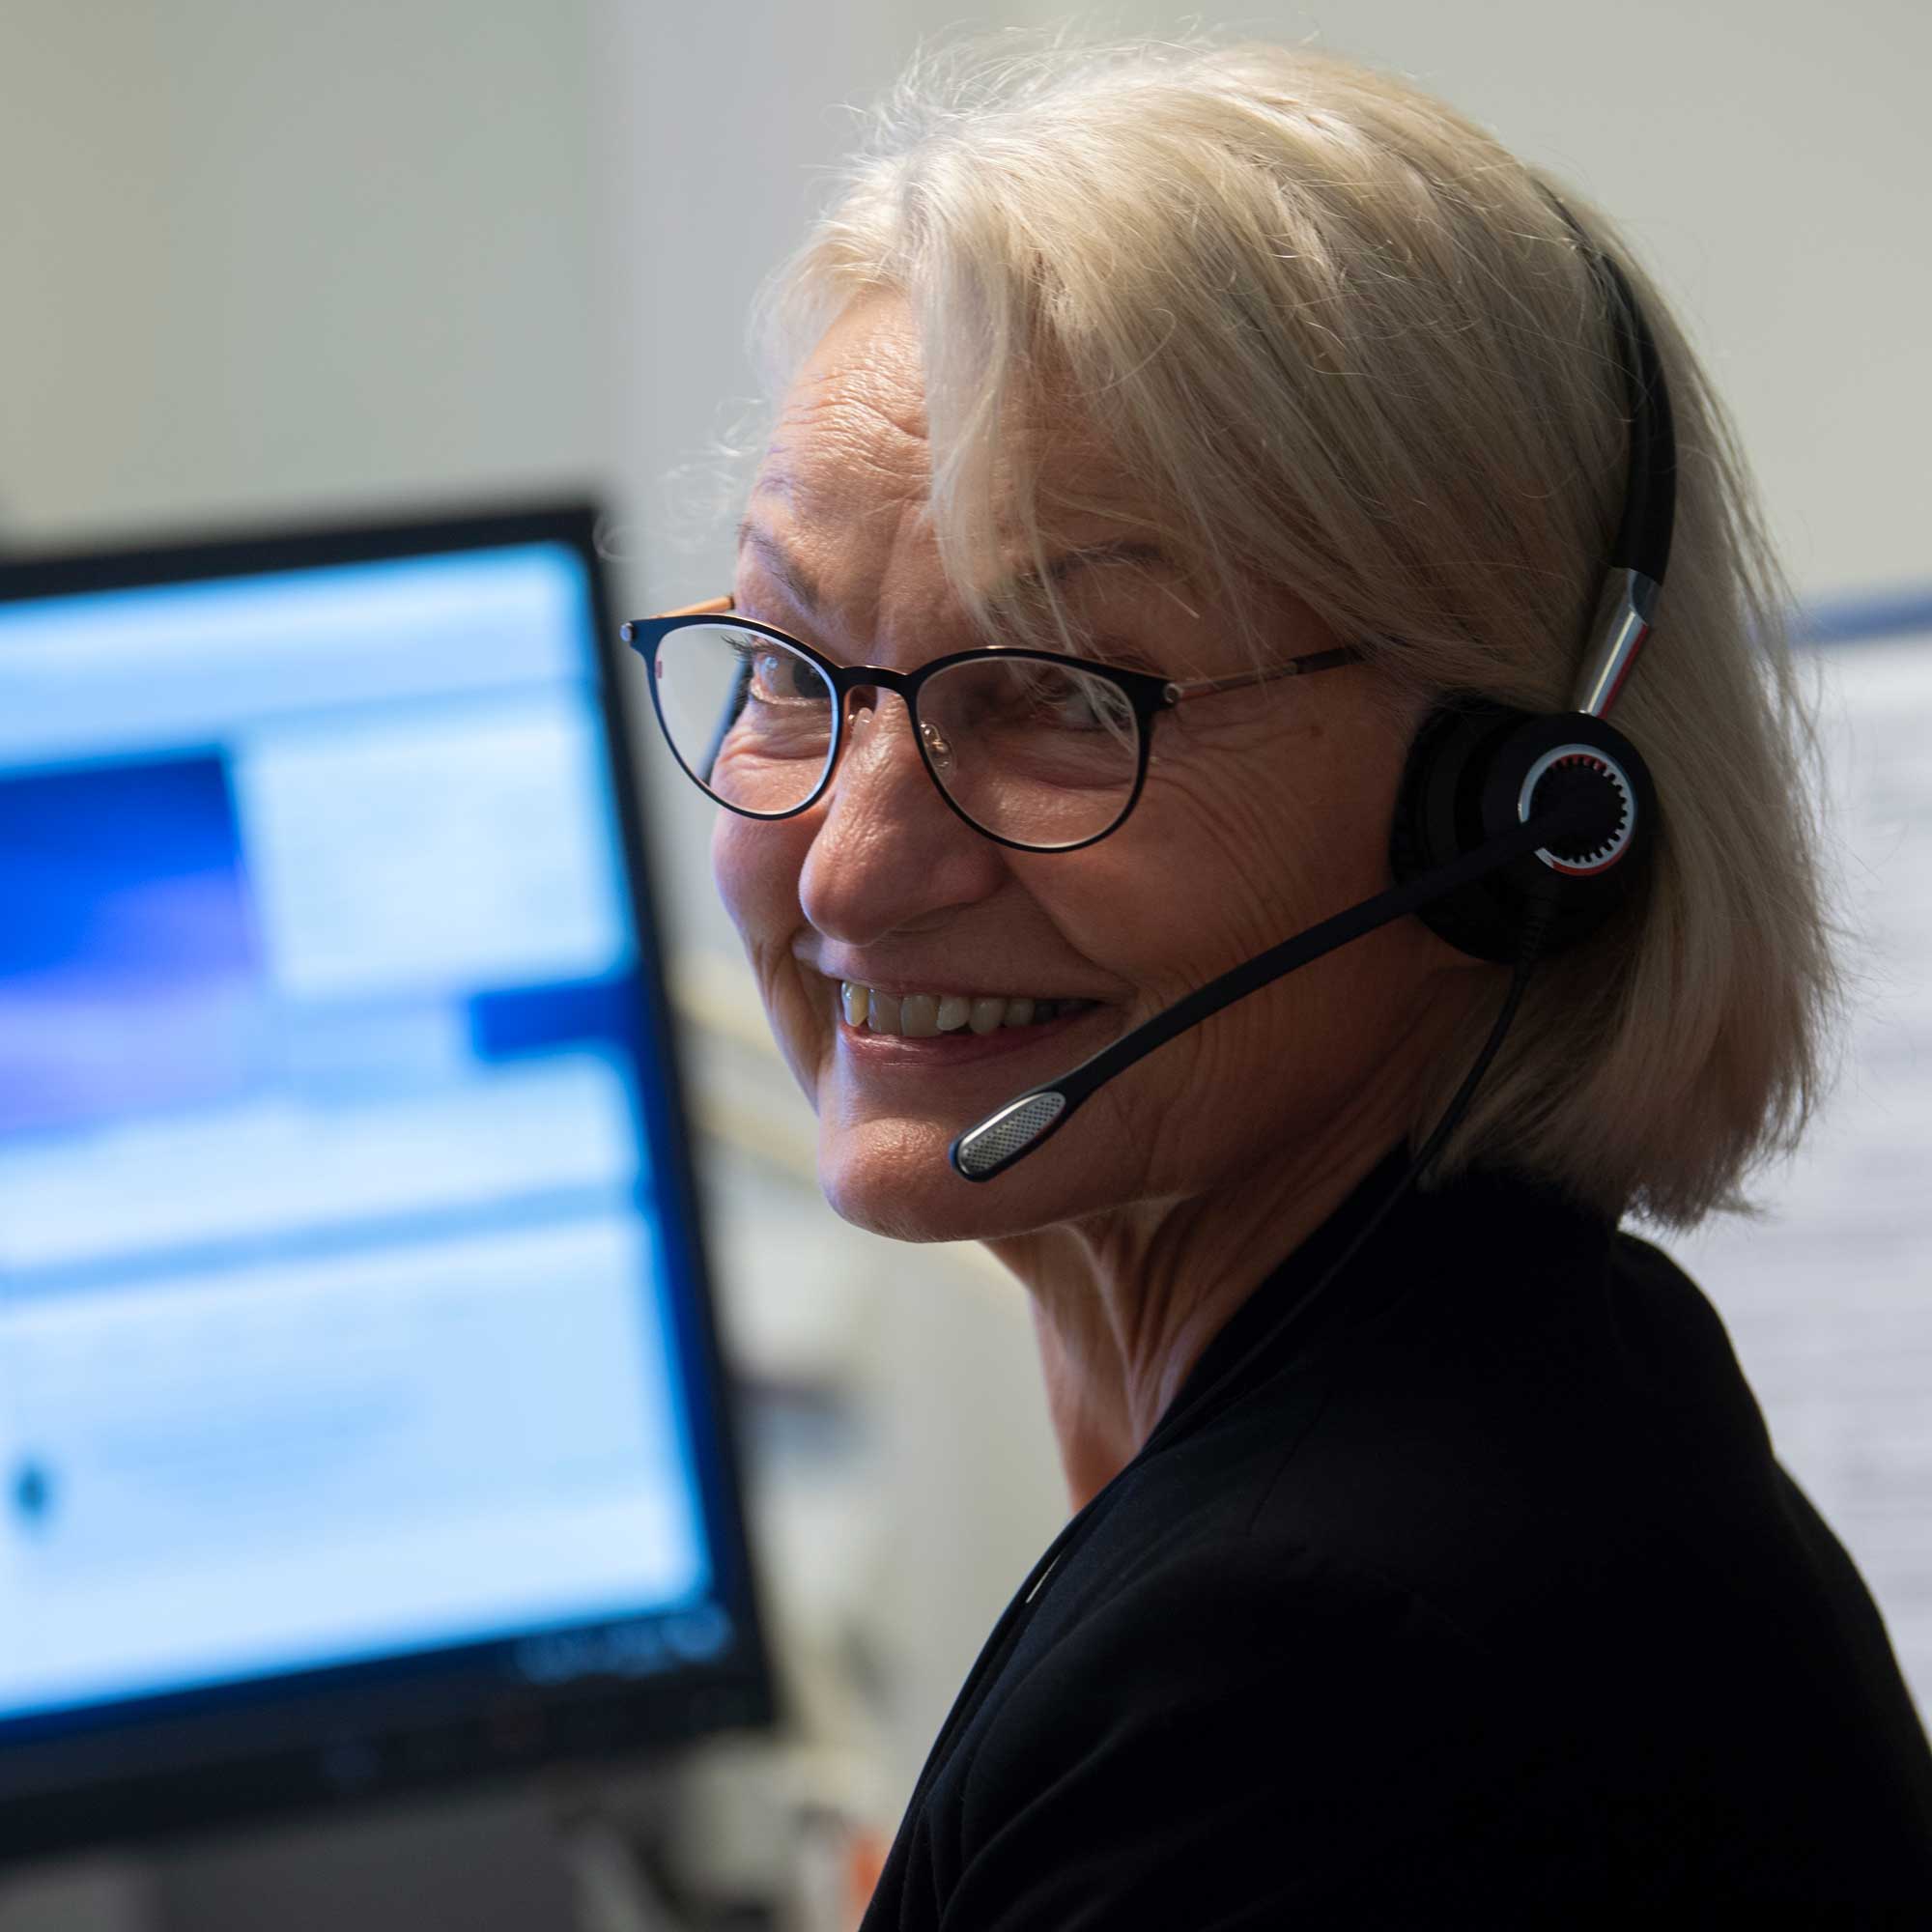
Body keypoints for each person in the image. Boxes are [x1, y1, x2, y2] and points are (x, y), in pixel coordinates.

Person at [626, 36, 1932, 1920]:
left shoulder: (1315, 1681)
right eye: (782, 662)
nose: (845, 864)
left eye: (1063, 695)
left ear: (1512, 803)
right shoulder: (1519, 1397)